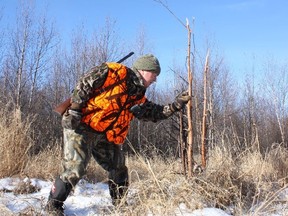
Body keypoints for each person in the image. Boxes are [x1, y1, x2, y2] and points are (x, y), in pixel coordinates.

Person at [45, 54, 190, 215]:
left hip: (105, 134)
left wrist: (176, 106)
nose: (155, 79)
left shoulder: (138, 95)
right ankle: (53, 206)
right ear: (143, 70)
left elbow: (155, 113)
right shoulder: (114, 72)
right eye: (154, 74)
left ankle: (120, 206)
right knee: (75, 168)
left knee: (118, 167)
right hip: (82, 126)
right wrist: (75, 110)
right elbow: (84, 82)